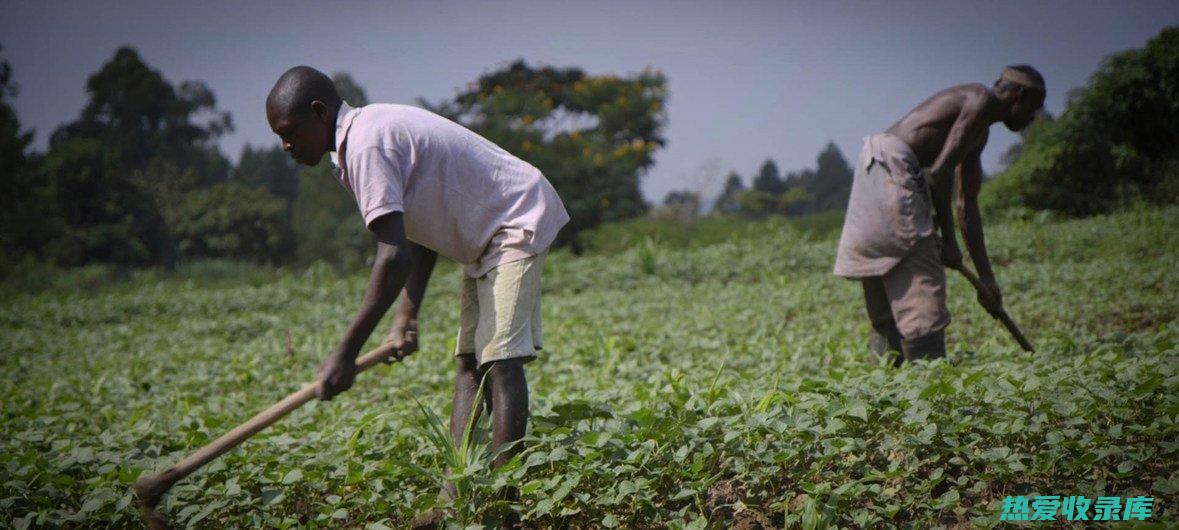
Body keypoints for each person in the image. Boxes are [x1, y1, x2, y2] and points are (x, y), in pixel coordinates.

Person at [265, 66, 569, 527]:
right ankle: (454, 498)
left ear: (319, 112)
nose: (286, 146)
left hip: (514, 218)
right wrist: (407, 314)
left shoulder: (367, 143)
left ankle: (507, 511)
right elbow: (413, 235)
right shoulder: (354, 148)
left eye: (289, 133)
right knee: (470, 363)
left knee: (500, 361)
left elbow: (392, 258)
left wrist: (345, 354)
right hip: (483, 237)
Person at [834, 65, 1045, 364]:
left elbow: (966, 205)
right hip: (895, 164)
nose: (1032, 118)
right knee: (922, 280)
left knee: (883, 275)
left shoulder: (978, 132)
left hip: (873, 167)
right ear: (1020, 96)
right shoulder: (979, 99)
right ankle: (930, 388)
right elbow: (940, 173)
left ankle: (884, 385)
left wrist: (987, 279)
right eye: (1034, 109)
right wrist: (948, 240)